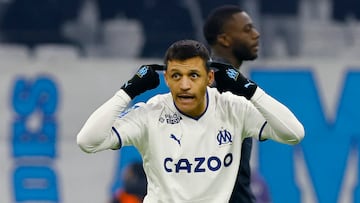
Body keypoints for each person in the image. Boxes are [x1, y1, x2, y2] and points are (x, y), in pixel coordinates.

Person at [77, 39, 304, 202]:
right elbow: (87, 141)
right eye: (176, 76)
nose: (184, 85)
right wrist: (127, 92)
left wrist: (250, 90)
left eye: (193, 75)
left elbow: (294, 133)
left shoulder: (233, 108)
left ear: (209, 77)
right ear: (166, 79)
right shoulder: (150, 113)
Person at [203, 5, 265, 203]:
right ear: (224, 39)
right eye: (247, 30)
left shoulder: (234, 81)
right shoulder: (214, 81)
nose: (256, 35)